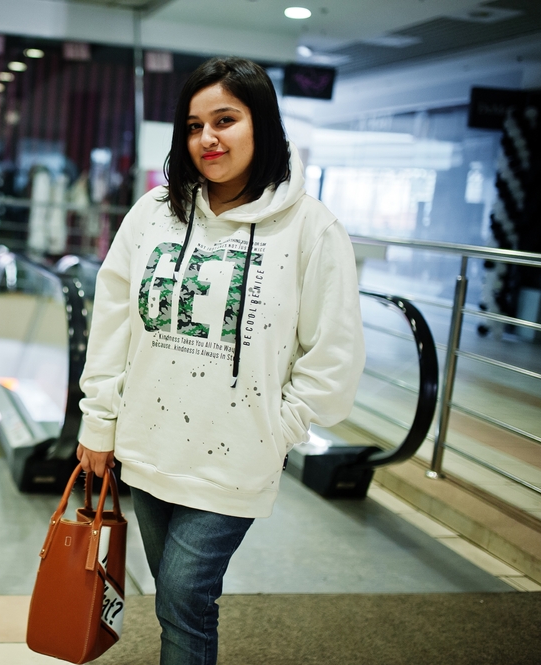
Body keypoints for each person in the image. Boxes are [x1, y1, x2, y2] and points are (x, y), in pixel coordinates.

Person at [75, 57, 365, 664]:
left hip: (237, 460)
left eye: (225, 120)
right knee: (173, 600)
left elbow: (333, 357)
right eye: (193, 125)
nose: (207, 138)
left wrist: (273, 430)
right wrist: (99, 421)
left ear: (263, 124)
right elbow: (113, 323)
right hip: (148, 448)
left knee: (184, 594)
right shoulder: (154, 214)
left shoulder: (312, 229)